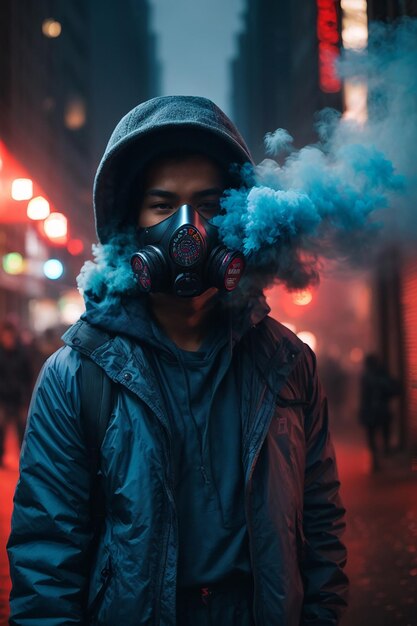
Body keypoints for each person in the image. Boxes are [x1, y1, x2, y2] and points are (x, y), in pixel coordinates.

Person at [7, 96, 348, 626]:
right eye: (163, 206)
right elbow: (46, 554)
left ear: (237, 216)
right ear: (129, 225)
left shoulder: (287, 364)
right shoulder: (77, 377)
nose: (188, 229)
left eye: (208, 206)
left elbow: (321, 529)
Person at [358, 353, 400, 472]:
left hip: (376, 411)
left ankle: (378, 459)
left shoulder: (368, 376)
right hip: (379, 411)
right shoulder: (378, 375)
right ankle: (379, 458)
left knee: (374, 436)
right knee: (379, 435)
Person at [0, 320, 32, 466]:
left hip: (19, 398)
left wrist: (26, 398)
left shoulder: (22, 352)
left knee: (22, 429)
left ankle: (24, 459)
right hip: (3, 398)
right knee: (1, 428)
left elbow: (28, 376)